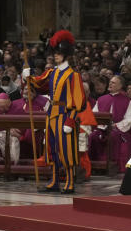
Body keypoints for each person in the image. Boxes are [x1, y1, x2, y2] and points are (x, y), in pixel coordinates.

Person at [26, 30, 86, 194]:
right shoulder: (52, 73)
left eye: (59, 54)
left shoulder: (73, 76)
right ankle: (54, 181)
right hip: (51, 114)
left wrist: (71, 120)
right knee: (52, 149)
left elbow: (78, 101)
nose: (56, 57)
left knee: (67, 150)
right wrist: (29, 76)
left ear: (66, 55)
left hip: (65, 115)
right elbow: (39, 84)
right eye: (55, 54)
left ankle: (70, 181)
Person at [89, 76, 131, 172]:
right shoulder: (101, 99)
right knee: (93, 136)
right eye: (110, 82)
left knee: (113, 136)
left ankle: (111, 164)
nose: (110, 84)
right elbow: (94, 115)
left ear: (120, 86)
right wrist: (100, 125)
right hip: (101, 128)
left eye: (113, 83)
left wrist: (115, 125)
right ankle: (93, 165)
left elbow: (128, 119)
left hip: (116, 129)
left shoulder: (126, 100)